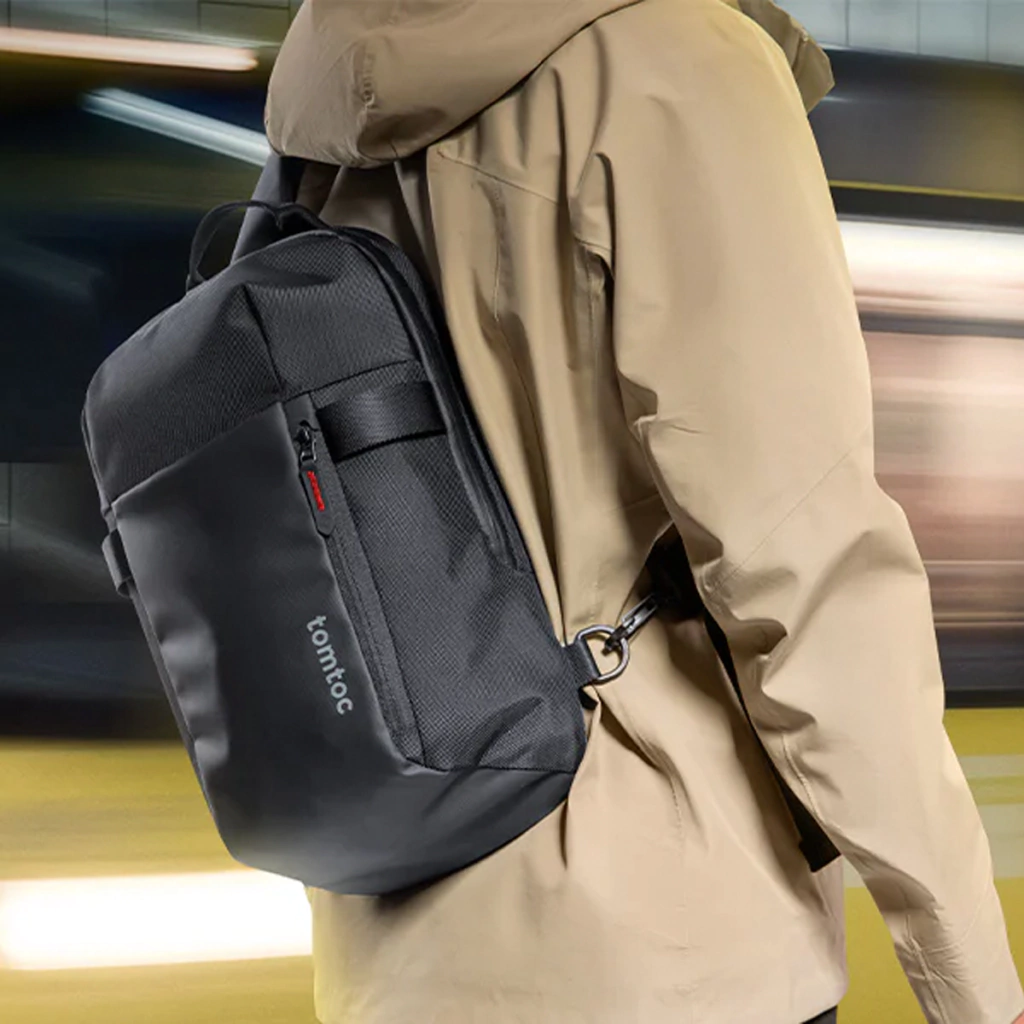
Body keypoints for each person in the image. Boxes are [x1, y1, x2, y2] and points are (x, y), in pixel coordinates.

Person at [258, 0, 1024, 1021]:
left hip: (396, 941)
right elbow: (804, 560)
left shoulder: (323, 86)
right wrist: (972, 977)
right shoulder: (680, 63)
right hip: (670, 940)